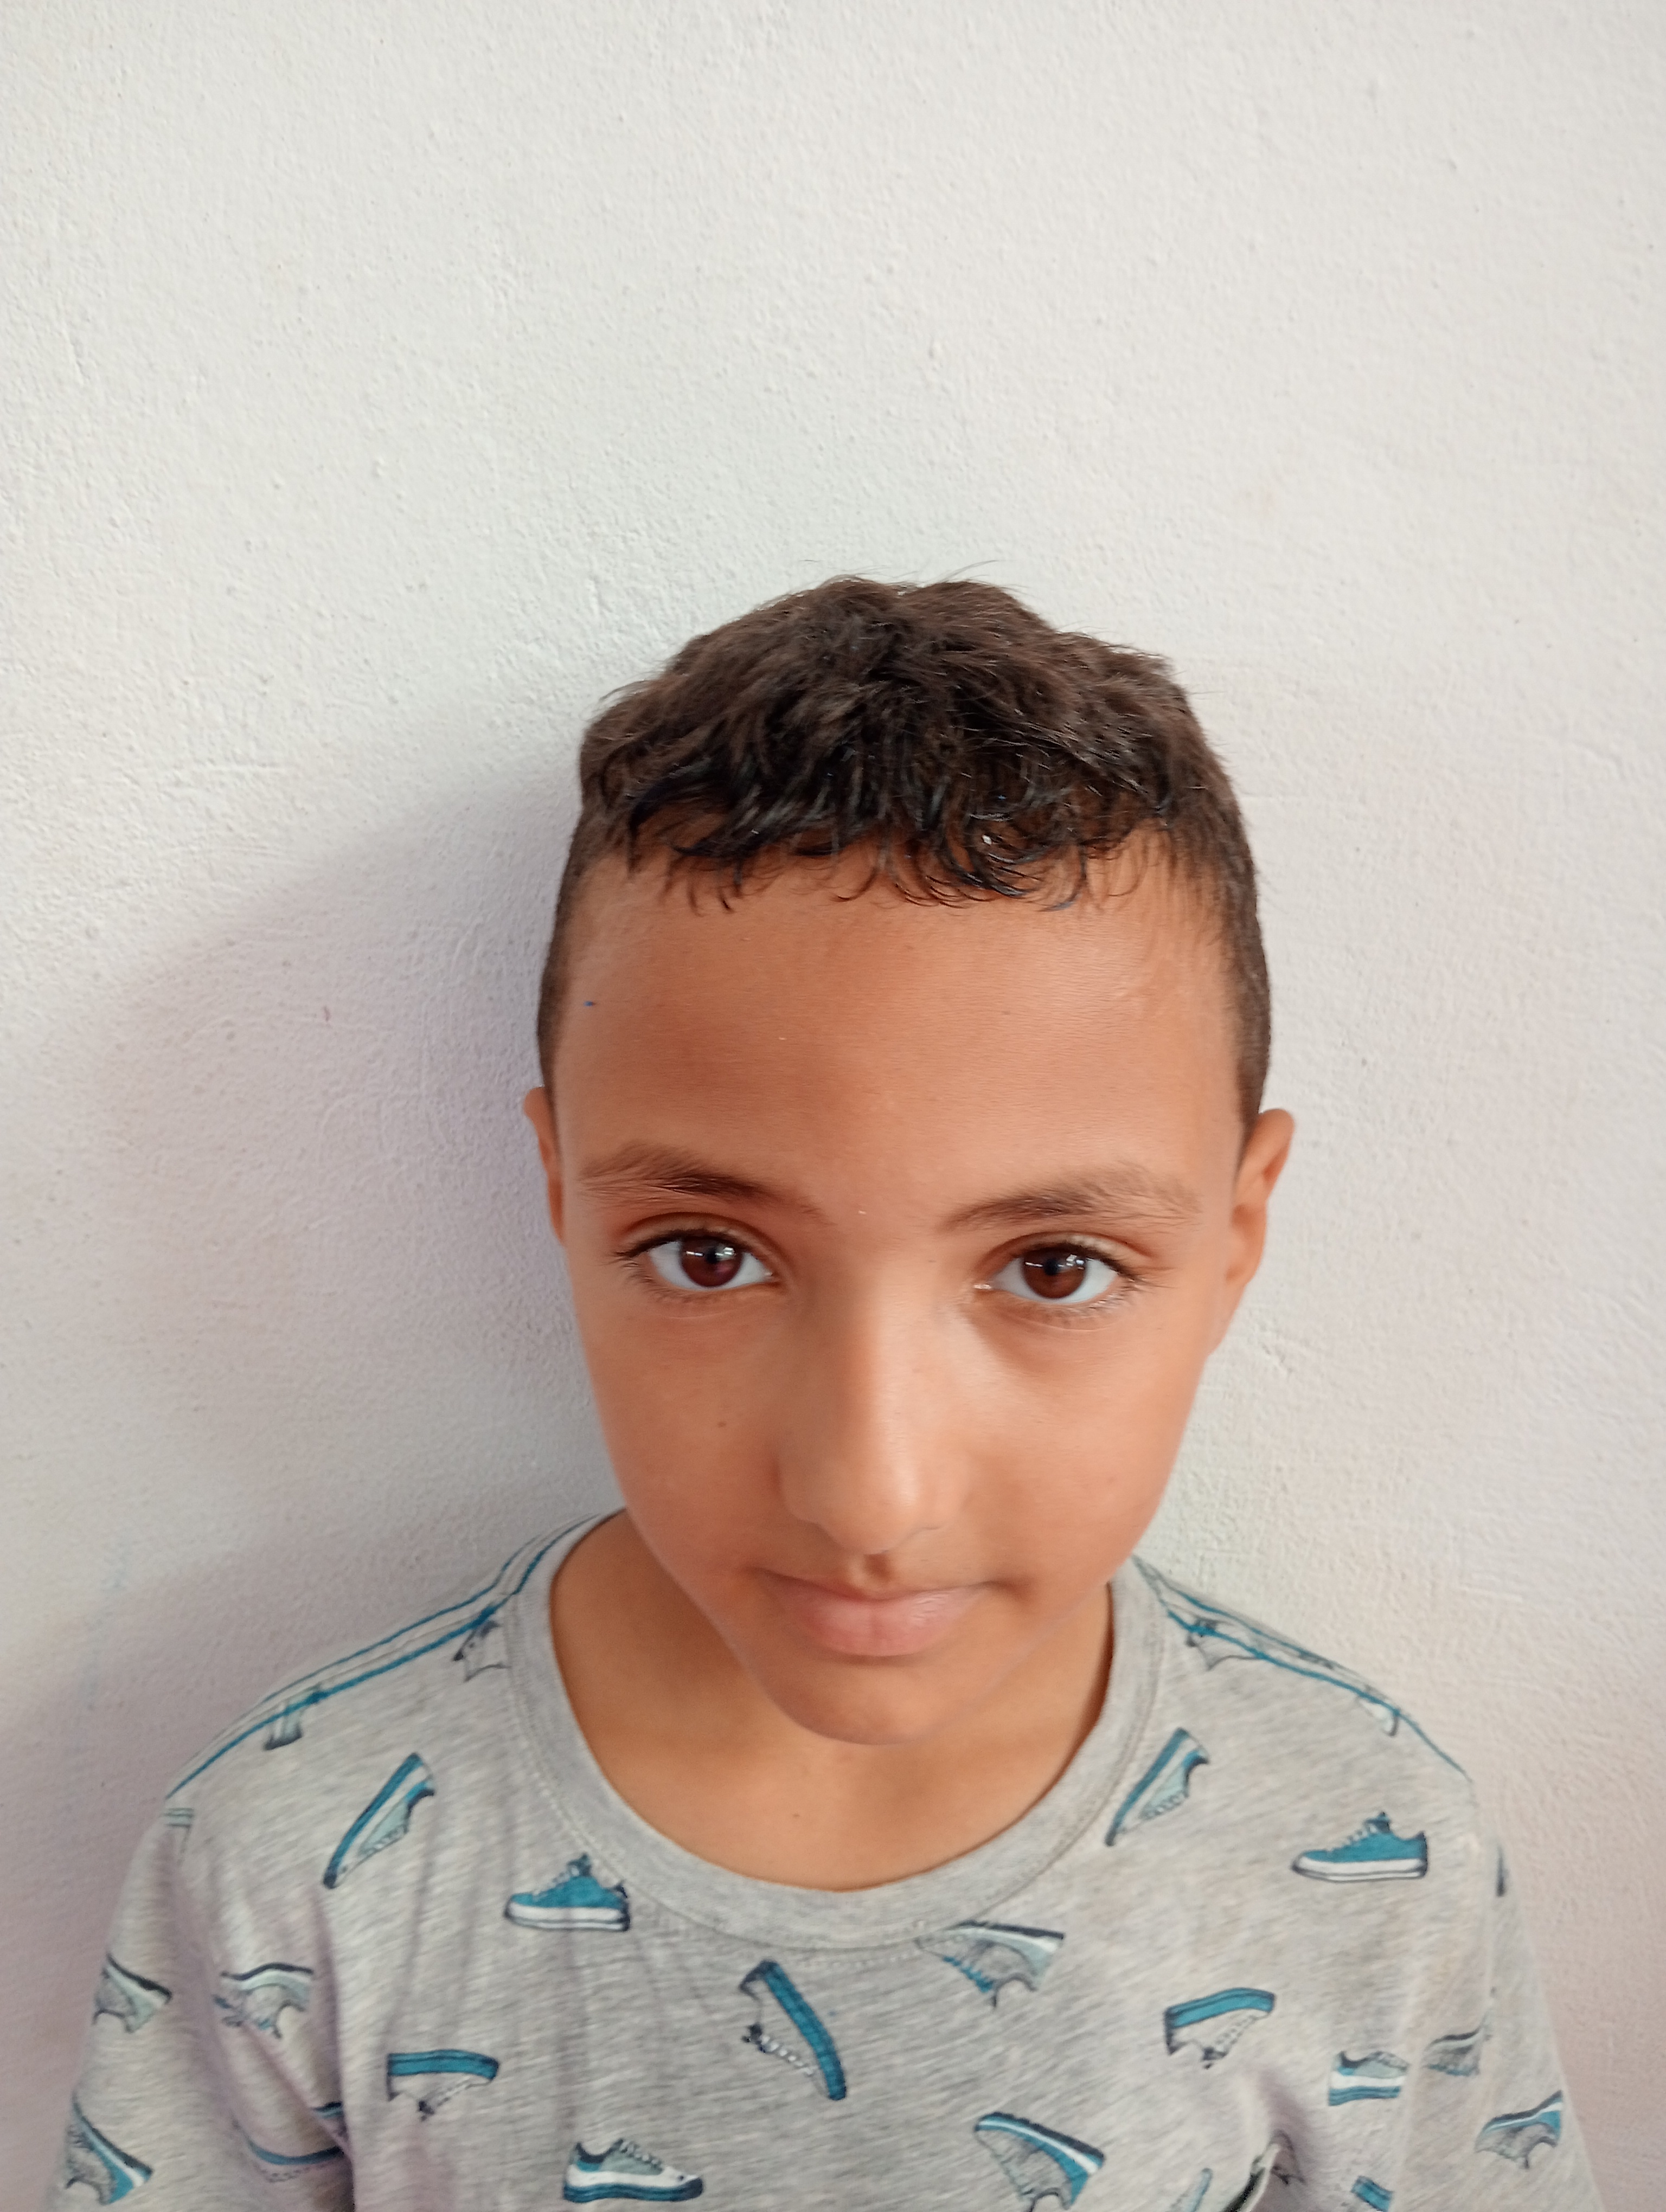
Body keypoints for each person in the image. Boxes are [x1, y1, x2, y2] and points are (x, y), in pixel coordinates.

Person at [50, 579, 1599, 2210]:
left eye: (1053, 1267)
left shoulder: (1375, 1853)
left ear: (1235, 1237)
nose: (870, 1492)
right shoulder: (291, 1870)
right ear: (561, 1193)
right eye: (710, 1256)